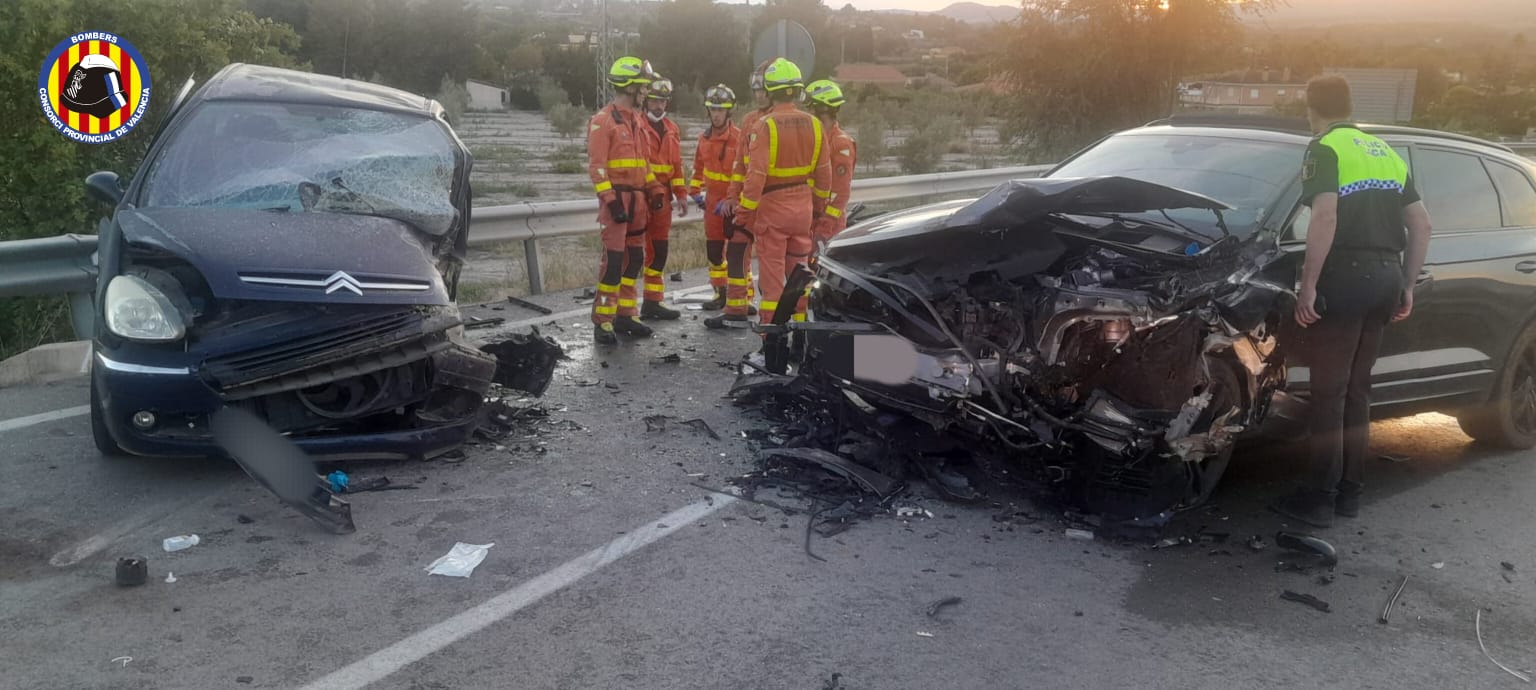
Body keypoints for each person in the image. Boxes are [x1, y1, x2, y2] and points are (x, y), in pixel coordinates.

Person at [1270, 75, 1433, 528]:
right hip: (1385, 278)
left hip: (1345, 278)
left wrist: (1308, 284)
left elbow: (1325, 216)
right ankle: (1349, 494)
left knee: (1329, 393)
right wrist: (1408, 284)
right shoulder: (1384, 152)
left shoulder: (1324, 148)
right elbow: (1422, 224)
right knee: (1358, 390)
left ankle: (1318, 499)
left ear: (1311, 107)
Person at [711, 58, 831, 332]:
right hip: (803, 209)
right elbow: (824, 176)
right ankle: (801, 334)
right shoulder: (814, 124)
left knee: (773, 280)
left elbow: (755, 176)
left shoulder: (766, 125)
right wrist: (818, 208)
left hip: (773, 209)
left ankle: (772, 340)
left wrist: (743, 213)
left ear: (770, 89)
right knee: (800, 274)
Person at [586, 56, 667, 345]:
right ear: (630, 86)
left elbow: (643, 164)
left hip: (638, 202)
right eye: (643, 85)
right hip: (617, 203)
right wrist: (611, 201)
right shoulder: (603, 121)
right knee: (614, 262)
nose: (646, 91)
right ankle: (603, 321)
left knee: (634, 260)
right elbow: (597, 168)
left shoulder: (638, 121)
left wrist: (655, 189)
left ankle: (626, 314)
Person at [637, 77, 689, 321]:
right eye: (656, 100)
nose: (659, 105)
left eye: (664, 101)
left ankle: (652, 301)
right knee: (632, 254)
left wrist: (680, 195)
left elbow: (676, 166)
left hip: (663, 201)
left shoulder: (672, 128)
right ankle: (621, 310)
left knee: (659, 251)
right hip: (641, 196)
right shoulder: (636, 124)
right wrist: (652, 188)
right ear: (647, 100)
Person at [687, 84, 742, 311]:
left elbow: (745, 172)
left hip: (733, 203)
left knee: (738, 253)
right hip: (712, 204)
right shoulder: (704, 139)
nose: (716, 114)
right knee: (714, 251)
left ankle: (742, 297)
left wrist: (736, 200)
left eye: (721, 110)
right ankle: (720, 292)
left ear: (729, 112)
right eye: (713, 110)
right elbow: (698, 168)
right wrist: (695, 192)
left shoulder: (740, 139)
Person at [805, 79, 856, 248]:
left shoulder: (840, 144)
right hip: (810, 220)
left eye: (811, 107)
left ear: (823, 109)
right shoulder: (815, 138)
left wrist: (824, 228)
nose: (808, 112)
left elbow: (840, 193)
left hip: (829, 228)